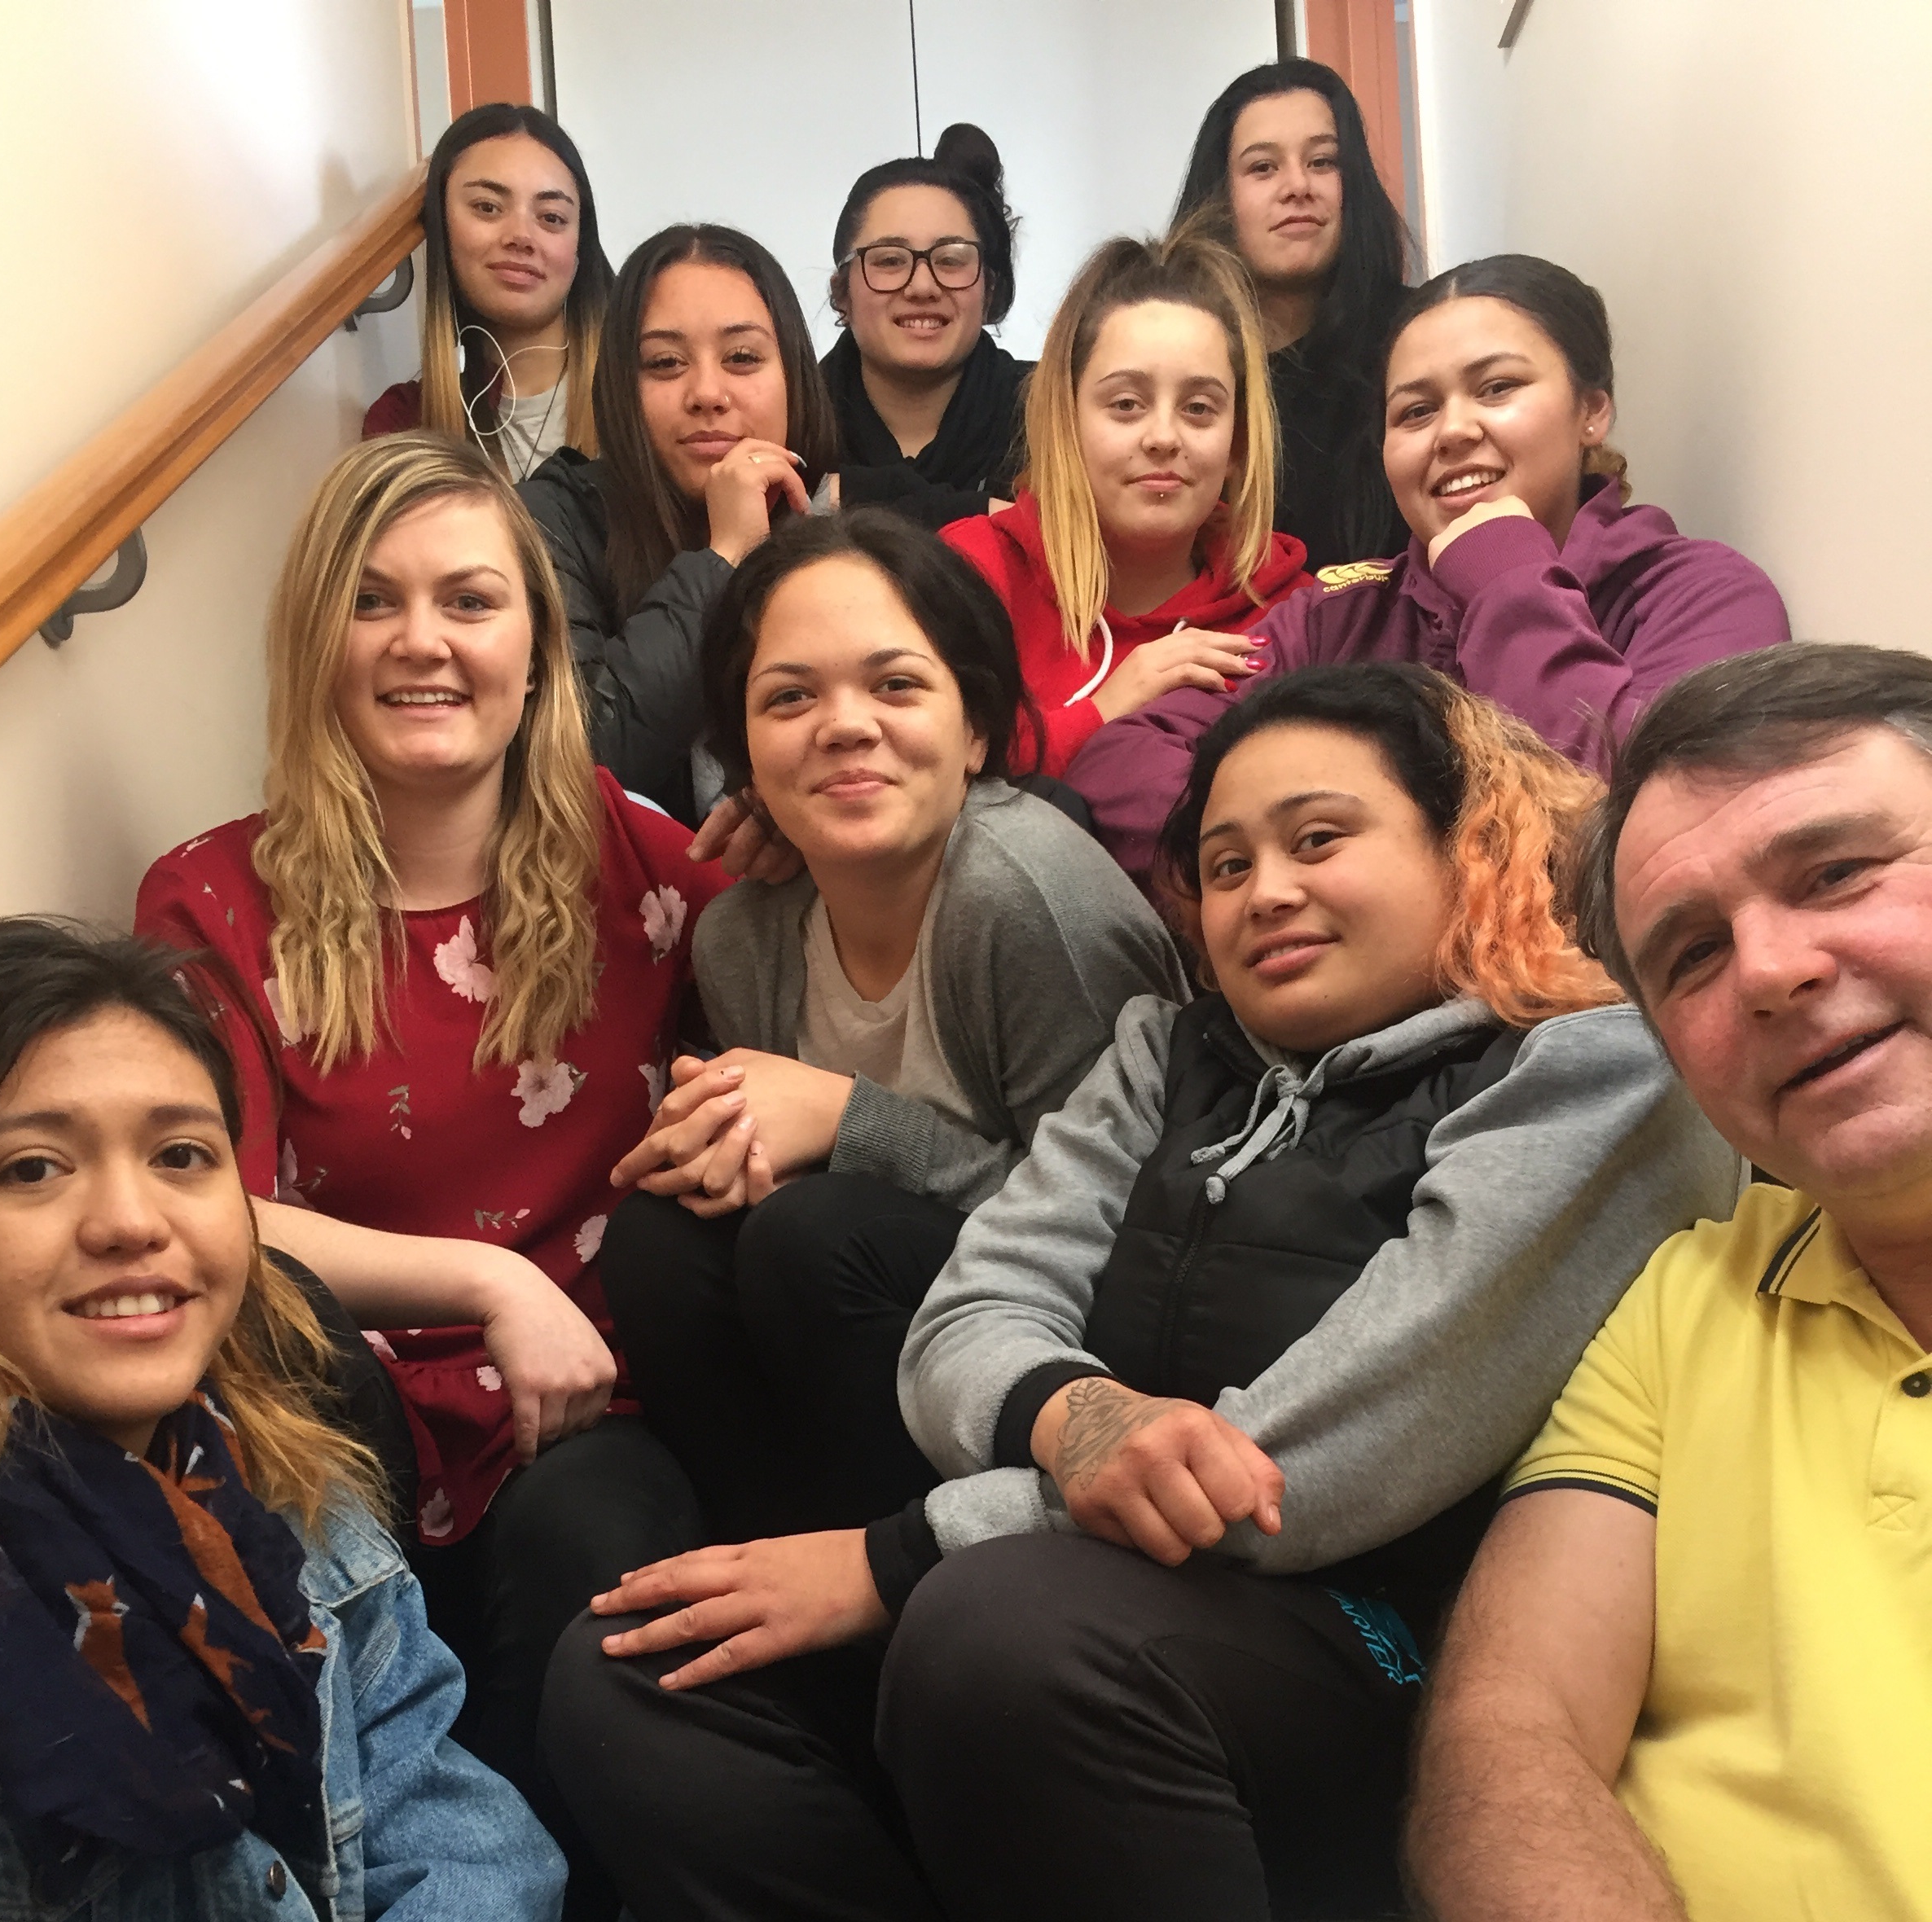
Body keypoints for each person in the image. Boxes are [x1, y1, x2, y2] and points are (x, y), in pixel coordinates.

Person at [540, 662, 1737, 1920]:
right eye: (1225, 866)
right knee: (635, 1678)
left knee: (1002, 1632)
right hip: (1088, 1585)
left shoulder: (1589, 1069)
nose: (1267, 891)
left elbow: (1330, 1459)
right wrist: (1074, 1414)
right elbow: (971, 1310)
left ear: (1464, 850)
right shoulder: (1172, 1052)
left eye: (1319, 840)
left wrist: (902, 1555)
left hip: (1372, 1636)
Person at [134, 433, 718, 1911]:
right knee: (300, 1382)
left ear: (535, 645)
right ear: (318, 643)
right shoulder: (211, 897)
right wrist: (487, 1276)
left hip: (578, 1408)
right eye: (374, 601)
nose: (423, 642)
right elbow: (210, 1213)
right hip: (339, 1409)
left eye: (469, 600)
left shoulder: (643, 868)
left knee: (599, 1553)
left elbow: (836, 938)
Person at [1406, 642, 1932, 1922]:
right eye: (1691, 955)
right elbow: (1507, 1728)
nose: (1767, 970)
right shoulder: (1685, 1299)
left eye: (1838, 873)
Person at [0, 917, 566, 1920]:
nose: (133, 1221)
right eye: (32, 1168)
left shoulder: (284, 1486)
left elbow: (467, 1841)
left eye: (182, 1153)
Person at [595, 506, 1188, 1558]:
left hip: (1057, 1367)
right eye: (790, 698)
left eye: (896, 684)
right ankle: (757, 1565)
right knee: (662, 1233)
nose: (844, 724)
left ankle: (886, 1595)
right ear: (743, 751)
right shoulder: (744, 937)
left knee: (818, 1233)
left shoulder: (1029, 899)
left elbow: (1134, 1241)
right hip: (852, 1370)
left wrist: (848, 1120)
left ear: (972, 728)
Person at [1071, 252, 1792, 879]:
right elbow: (1123, 761)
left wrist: (1507, 579)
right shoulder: (1332, 618)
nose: (1452, 431)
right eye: (1414, 412)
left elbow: (1656, 821)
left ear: (1591, 411)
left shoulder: (1703, 595)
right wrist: (1280, 862)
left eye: (1497, 388)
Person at [942, 226, 1310, 781]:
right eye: (1126, 404)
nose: (1163, 436)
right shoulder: (971, 571)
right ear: (1065, 421)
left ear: (1237, 443)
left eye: (1200, 408)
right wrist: (1106, 709)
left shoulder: (1294, 610)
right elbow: (923, 768)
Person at [520, 224, 840, 822]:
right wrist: (726, 555)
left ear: (794, 370)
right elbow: (584, 758)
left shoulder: (837, 516)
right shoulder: (553, 516)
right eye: (665, 363)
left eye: (742, 357)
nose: (707, 393)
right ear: (620, 384)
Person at [1175, 59, 1411, 570]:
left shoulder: (1416, 343)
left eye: (1324, 161)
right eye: (1263, 167)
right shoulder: (1178, 366)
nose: (1298, 185)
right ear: (1220, 196)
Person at [363, 103, 608, 480]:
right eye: (488, 207)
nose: (522, 237)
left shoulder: (648, 392)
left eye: (552, 218)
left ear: (580, 247)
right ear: (441, 229)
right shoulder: (403, 425)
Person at [823, 122, 1032, 529]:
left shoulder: (1055, 411)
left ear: (988, 290)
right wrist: (990, 514)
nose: (922, 286)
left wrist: (842, 495)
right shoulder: (790, 416)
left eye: (951, 260)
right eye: (889, 260)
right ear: (841, 292)